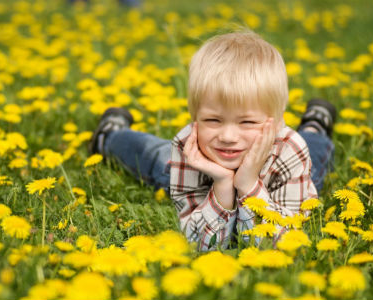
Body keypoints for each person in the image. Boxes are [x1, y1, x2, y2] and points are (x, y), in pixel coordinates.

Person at [88, 31, 336, 251]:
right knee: (155, 156)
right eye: (213, 120)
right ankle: (109, 135)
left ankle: (315, 126)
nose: (227, 137)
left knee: (312, 147)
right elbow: (199, 243)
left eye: (247, 122)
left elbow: (285, 243)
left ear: (277, 121)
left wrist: (249, 185)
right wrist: (222, 185)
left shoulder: (289, 149)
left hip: (277, 184)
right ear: (195, 116)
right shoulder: (189, 145)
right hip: (203, 171)